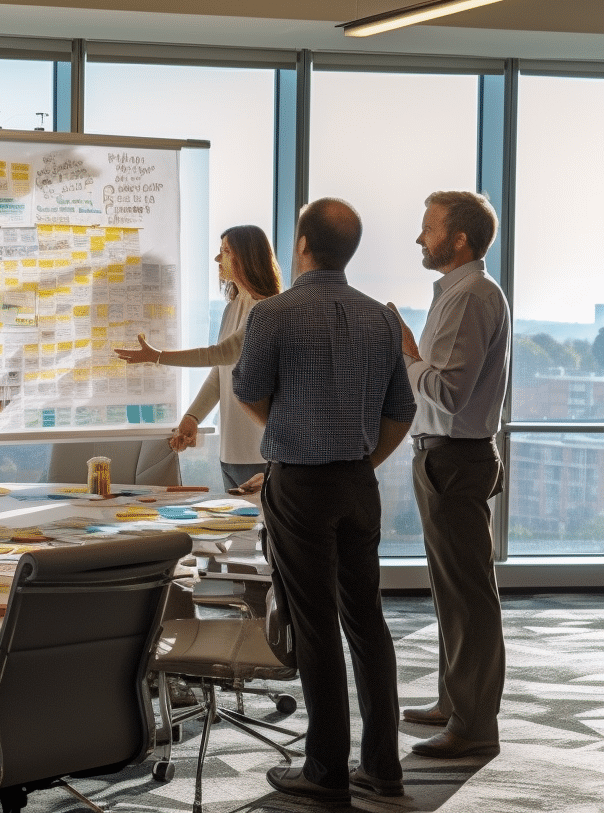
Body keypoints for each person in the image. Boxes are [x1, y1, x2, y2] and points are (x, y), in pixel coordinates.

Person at [232, 197, 415, 804]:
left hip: (300, 484)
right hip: (358, 484)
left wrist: (287, 434)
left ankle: (326, 770)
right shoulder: (382, 318)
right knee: (368, 623)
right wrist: (362, 459)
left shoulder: (275, 314)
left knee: (314, 626)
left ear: (303, 244)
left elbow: (250, 390)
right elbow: (401, 410)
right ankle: (384, 768)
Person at [388, 190, 509, 759]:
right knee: (452, 591)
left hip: (454, 458)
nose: (419, 237)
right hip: (447, 456)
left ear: (458, 238)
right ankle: (455, 703)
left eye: (428, 227)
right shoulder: (458, 294)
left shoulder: (469, 297)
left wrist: (406, 351)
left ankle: (474, 724)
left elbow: (447, 392)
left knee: (466, 594)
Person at [115, 224, 282, 490]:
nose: (218, 259)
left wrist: (157, 356)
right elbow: (220, 370)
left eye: (226, 251)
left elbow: (221, 353)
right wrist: (193, 416)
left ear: (246, 257)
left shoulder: (266, 310)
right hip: (231, 453)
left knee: (256, 529)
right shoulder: (232, 309)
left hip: (259, 454)